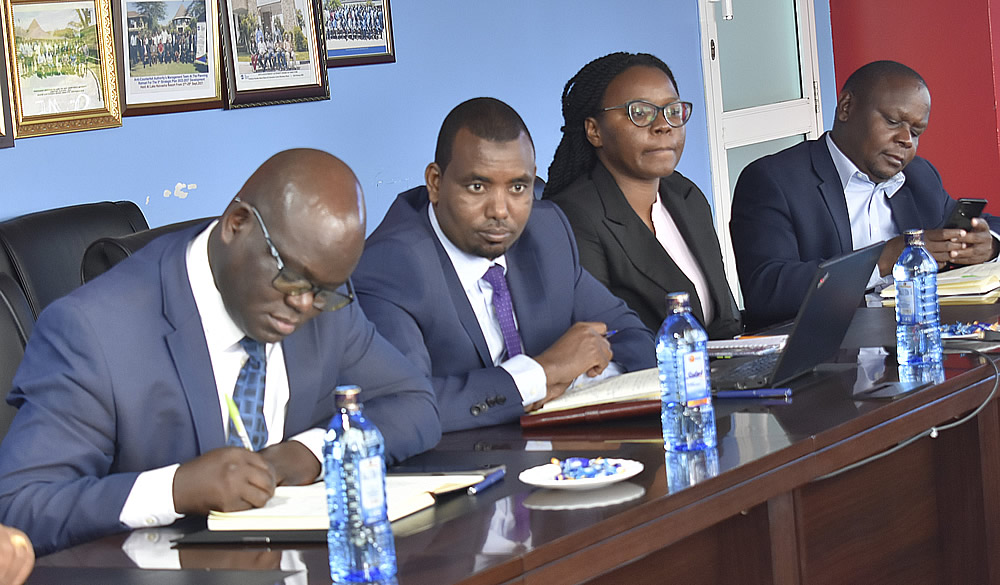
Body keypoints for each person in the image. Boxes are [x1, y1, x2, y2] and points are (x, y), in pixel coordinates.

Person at [0, 149, 441, 554]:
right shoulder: (93, 332)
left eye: (324, 291)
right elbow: (21, 505)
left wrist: (309, 453)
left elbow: (413, 403)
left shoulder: (321, 296)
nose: (305, 304)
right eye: (292, 278)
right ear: (236, 223)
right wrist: (175, 489)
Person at [353, 98, 654, 433]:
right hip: (464, 460)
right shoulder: (391, 266)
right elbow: (405, 408)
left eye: (518, 187)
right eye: (477, 187)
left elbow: (634, 340)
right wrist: (542, 373)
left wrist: (573, 376)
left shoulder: (546, 232)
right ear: (436, 182)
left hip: (562, 448)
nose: (500, 210)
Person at [731, 60, 1000, 328]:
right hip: (823, 345)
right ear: (846, 108)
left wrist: (989, 245)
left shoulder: (918, 176)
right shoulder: (774, 180)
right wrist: (883, 260)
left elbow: (978, 226)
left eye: (916, 132)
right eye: (893, 122)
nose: (906, 140)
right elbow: (767, 290)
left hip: (909, 339)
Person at [542, 52, 742, 339]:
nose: (663, 125)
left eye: (673, 111)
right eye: (640, 113)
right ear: (594, 131)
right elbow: (601, 341)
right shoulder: (573, 217)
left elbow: (723, 319)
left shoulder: (686, 195)